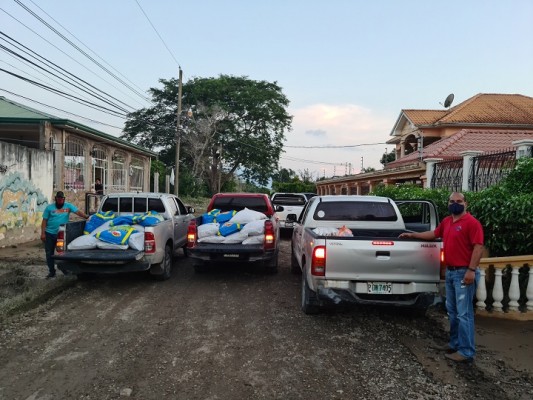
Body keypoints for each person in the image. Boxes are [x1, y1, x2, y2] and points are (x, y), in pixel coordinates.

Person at [399, 192, 484, 363]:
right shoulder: (447, 221)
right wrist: (413, 234)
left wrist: (471, 270)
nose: (455, 204)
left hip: (463, 272)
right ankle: (454, 344)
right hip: (451, 273)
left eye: (459, 201)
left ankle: (466, 352)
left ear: (465, 204)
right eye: (452, 201)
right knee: (452, 312)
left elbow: (478, 247)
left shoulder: (472, 223)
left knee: (464, 314)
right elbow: (434, 234)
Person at [40, 191, 88, 278]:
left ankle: (65, 270)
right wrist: (43, 233)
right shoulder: (49, 208)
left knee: (62, 253)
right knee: (49, 253)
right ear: (56, 199)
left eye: (62, 199)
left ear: (64, 199)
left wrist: (87, 217)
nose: (60, 201)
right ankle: (51, 271)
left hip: (61, 235)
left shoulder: (68, 206)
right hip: (49, 234)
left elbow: (78, 212)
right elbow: (44, 221)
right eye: (58, 199)